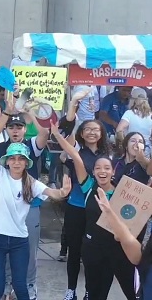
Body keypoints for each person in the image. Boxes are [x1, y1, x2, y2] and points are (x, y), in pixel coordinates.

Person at [0, 105, 71, 300]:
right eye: (13, 159)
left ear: (26, 162)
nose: (17, 162)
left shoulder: (31, 182)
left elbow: (52, 193)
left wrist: (63, 192)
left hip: (19, 242)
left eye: (21, 159)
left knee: (21, 287)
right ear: (6, 161)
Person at [52, 124, 136, 300]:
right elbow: (75, 155)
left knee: (120, 292)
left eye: (107, 168)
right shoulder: (88, 186)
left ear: (113, 171)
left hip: (115, 250)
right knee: (94, 294)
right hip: (92, 249)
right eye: (98, 168)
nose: (102, 171)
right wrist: (58, 136)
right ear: (93, 172)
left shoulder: (122, 190)